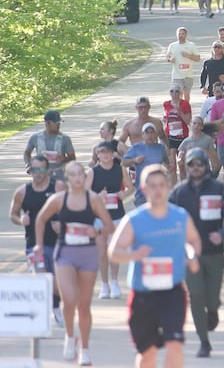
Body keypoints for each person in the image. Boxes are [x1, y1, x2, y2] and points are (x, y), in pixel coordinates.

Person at [108, 164, 202, 368]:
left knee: (174, 345)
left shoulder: (180, 216)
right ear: (143, 189)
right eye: (152, 186)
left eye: (161, 185)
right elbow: (113, 252)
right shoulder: (134, 219)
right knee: (148, 352)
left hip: (173, 291)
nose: (158, 190)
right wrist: (135, 254)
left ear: (169, 186)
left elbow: (193, 240)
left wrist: (192, 255)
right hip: (143, 294)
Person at [34, 161, 115, 366]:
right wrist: (39, 246)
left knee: (84, 305)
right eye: (73, 175)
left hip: (87, 254)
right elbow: (40, 219)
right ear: (67, 179)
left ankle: (84, 349)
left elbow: (109, 226)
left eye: (81, 174)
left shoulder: (93, 199)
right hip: (66, 254)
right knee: (69, 300)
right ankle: (70, 337)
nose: (78, 178)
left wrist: (95, 231)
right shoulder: (59, 199)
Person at [169, 149, 224, 358]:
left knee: (211, 297)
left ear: (206, 165)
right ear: (187, 167)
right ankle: (204, 341)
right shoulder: (179, 192)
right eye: (192, 164)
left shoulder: (217, 189)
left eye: (200, 163)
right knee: (196, 296)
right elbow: (169, 218)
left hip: (215, 252)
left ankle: (214, 308)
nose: (196, 167)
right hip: (190, 255)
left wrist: (222, 233)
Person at [9, 155, 66, 327]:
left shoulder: (58, 187)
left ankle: (56, 308)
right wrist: (21, 221)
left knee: (57, 284)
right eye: (34, 170)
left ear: (48, 170)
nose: (38, 173)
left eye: (41, 169)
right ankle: (42, 319)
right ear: (30, 171)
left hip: (58, 244)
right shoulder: (22, 192)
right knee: (41, 281)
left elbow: (71, 210)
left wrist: (61, 223)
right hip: (34, 246)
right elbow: (13, 214)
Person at [86, 141, 134, 300]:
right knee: (102, 253)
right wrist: (97, 197)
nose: (106, 156)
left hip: (117, 216)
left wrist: (123, 194)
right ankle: (104, 285)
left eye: (108, 153)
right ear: (98, 155)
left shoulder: (119, 169)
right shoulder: (93, 172)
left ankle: (114, 282)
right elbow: (84, 194)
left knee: (114, 251)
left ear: (113, 154)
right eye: (102, 153)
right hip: (100, 218)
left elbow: (130, 188)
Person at [122, 122, 169, 206]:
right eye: (147, 132)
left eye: (152, 132)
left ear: (156, 135)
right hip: (142, 192)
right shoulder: (136, 148)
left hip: (158, 191)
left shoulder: (161, 148)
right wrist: (134, 160)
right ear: (143, 135)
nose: (150, 135)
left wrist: (167, 168)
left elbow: (167, 162)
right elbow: (124, 162)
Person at [23, 109, 76, 182]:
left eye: (59, 122)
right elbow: (27, 152)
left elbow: (73, 157)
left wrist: (64, 158)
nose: (58, 125)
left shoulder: (65, 139)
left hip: (59, 175)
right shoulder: (35, 137)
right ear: (47, 123)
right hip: (40, 175)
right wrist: (28, 165)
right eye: (55, 123)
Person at [163, 85, 192, 184]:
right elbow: (165, 119)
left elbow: (188, 121)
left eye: (176, 91)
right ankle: (174, 190)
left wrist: (179, 111)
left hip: (182, 137)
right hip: (170, 137)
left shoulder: (185, 104)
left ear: (180, 93)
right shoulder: (166, 104)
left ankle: (184, 187)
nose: (174, 94)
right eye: (172, 91)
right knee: (172, 166)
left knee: (182, 164)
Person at [165, 26, 201, 103]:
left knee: (187, 96)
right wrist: (170, 59)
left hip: (188, 75)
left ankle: (186, 110)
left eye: (183, 34)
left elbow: (198, 58)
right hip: (177, 75)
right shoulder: (173, 45)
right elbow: (167, 57)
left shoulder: (191, 45)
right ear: (177, 35)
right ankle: (178, 112)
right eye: (179, 34)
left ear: (186, 35)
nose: (181, 35)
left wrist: (188, 56)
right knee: (178, 95)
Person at [177, 116, 220, 180]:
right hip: (190, 174)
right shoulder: (185, 142)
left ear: (202, 127)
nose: (196, 126)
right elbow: (180, 160)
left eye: (199, 124)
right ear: (190, 125)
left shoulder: (208, 140)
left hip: (205, 173)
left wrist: (214, 174)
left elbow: (214, 159)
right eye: (194, 123)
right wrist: (180, 160)